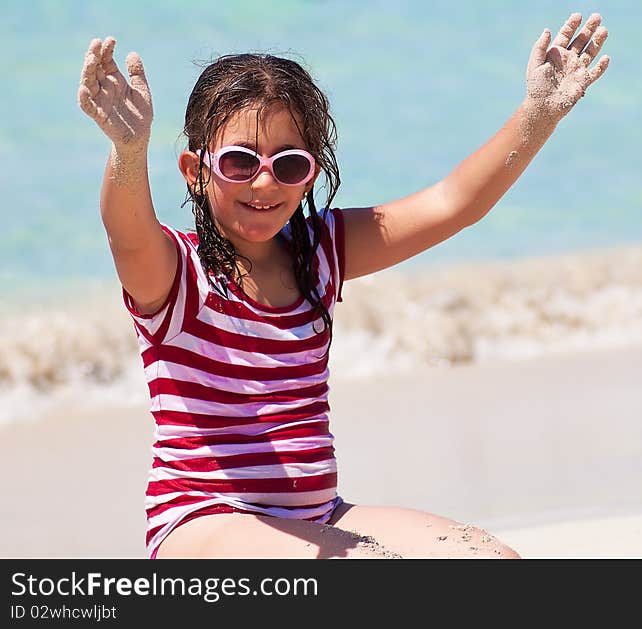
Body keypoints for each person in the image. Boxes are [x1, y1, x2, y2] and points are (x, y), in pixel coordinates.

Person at [77, 11, 610, 559]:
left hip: (318, 515)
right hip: (202, 524)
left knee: (487, 559)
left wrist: (539, 113)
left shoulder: (320, 253)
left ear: (310, 174)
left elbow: (454, 203)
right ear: (195, 170)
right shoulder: (177, 275)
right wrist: (128, 151)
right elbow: (127, 234)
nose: (264, 182)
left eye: (288, 165)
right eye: (239, 162)